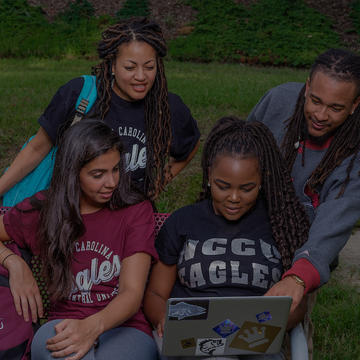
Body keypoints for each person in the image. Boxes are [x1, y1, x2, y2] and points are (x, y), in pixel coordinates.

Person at [144, 117, 310, 360]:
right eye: (223, 186)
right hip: (191, 340)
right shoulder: (183, 222)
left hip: (255, 340)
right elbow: (156, 294)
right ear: (209, 174)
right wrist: (164, 321)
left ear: (262, 180)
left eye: (246, 188)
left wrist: (275, 324)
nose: (234, 197)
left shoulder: (281, 226)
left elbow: (298, 305)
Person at [0, 120, 159, 360]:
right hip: (63, 322)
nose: (112, 183)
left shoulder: (134, 210)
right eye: (98, 174)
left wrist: (91, 327)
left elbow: (132, 293)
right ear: (72, 173)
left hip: (124, 328)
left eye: (116, 169)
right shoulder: (44, 209)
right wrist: (13, 262)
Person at [0, 17, 200, 200]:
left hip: (128, 219)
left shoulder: (167, 107)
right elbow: (37, 148)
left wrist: (157, 184)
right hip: (72, 212)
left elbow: (190, 146)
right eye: (130, 67)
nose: (141, 76)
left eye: (149, 67)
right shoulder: (78, 94)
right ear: (112, 65)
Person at [246, 48, 360, 312]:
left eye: (336, 108)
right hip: (248, 238)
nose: (321, 115)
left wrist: (298, 277)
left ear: (355, 105)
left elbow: (335, 221)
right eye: (316, 101)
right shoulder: (278, 100)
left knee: (283, 337)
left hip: (301, 255)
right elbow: (236, 154)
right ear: (307, 87)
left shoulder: (354, 158)